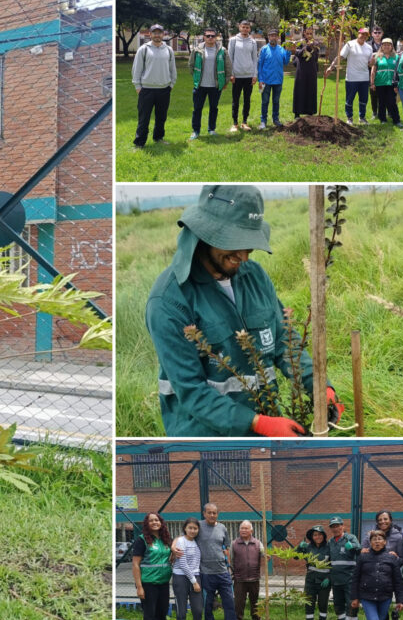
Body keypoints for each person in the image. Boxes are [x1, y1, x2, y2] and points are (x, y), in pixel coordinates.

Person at [145, 185, 345, 436]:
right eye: (233, 243)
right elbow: (192, 391)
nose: (244, 257)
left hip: (265, 430)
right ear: (206, 234)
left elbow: (284, 341)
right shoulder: (168, 301)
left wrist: (320, 388)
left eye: (249, 246)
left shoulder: (255, 276)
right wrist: (258, 423)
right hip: (204, 439)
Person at [177, 503, 242, 620]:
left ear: (217, 514)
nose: (212, 515)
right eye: (209, 513)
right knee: (208, 603)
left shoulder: (222, 528)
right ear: (204, 513)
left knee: (229, 601)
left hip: (223, 572)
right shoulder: (198, 527)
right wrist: (173, 546)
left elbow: (226, 547)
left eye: (214, 513)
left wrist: (228, 565)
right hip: (206, 573)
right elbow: (184, 536)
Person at [351, 529, 403, 620]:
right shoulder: (363, 557)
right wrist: (355, 597)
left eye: (380, 539)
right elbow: (355, 578)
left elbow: (398, 580)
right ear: (370, 542)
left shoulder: (391, 557)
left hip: (385, 596)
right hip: (367, 596)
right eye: (374, 539)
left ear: (385, 542)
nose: (377, 542)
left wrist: (400, 600)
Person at [361, 510, 403, 620]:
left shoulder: (398, 537)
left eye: (385, 519)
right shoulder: (370, 535)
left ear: (390, 520)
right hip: (372, 576)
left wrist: (394, 560)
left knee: (383, 610)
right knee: (376, 614)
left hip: (388, 577)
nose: (382, 522)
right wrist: (363, 551)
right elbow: (363, 552)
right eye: (380, 520)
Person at [131, 512, 174, 620]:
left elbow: (171, 555)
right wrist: (139, 587)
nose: (155, 522)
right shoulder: (142, 540)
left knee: (162, 612)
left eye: (157, 520)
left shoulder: (165, 539)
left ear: (161, 522)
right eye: (151, 521)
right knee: (150, 614)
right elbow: (135, 564)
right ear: (147, 524)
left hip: (163, 582)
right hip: (148, 583)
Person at [132, 24, 177, 147]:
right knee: (144, 118)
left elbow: (172, 69)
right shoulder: (144, 49)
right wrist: (137, 86)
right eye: (154, 33)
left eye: (160, 33)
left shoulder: (168, 50)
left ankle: (158, 138)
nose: (157, 35)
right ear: (150, 34)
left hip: (164, 89)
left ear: (163, 34)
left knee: (161, 117)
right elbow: (137, 69)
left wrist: (171, 84)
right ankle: (140, 143)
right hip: (146, 90)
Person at [189, 27, 231, 140]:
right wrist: (196, 78)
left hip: (215, 86)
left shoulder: (222, 50)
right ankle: (196, 131)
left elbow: (228, 67)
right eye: (208, 36)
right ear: (204, 37)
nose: (210, 38)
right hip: (200, 86)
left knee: (214, 108)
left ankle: (211, 129)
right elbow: (191, 65)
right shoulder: (197, 50)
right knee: (197, 109)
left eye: (213, 36)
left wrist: (225, 81)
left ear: (216, 37)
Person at [325, 27, 373, 125]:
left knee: (364, 99)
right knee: (349, 99)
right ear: (358, 34)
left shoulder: (369, 47)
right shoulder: (350, 44)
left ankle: (362, 117)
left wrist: (372, 63)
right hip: (352, 78)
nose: (363, 36)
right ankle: (349, 118)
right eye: (362, 34)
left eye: (366, 35)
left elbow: (369, 64)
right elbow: (340, 57)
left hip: (364, 78)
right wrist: (331, 67)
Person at [171, 517, 207, 620]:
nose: (192, 530)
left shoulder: (197, 541)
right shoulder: (180, 541)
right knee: (181, 609)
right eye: (190, 528)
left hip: (195, 576)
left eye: (195, 528)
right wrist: (194, 581)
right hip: (181, 577)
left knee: (197, 608)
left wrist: (195, 579)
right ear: (185, 528)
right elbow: (183, 564)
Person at [326, 516, 360, 620]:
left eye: (337, 525)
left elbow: (360, 551)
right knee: (338, 606)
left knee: (351, 606)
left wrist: (354, 547)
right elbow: (328, 560)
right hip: (336, 581)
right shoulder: (330, 542)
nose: (335, 528)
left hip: (349, 580)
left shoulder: (350, 538)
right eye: (333, 526)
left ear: (342, 526)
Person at [296, 524, 333, 620]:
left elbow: (334, 565)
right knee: (309, 605)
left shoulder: (329, 547)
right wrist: (299, 548)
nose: (318, 537)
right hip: (311, 582)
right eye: (315, 535)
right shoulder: (307, 547)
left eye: (320, 534)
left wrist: (329, 578)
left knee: (323, 606)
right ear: (312, 537)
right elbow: (296, 557)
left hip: (324, 582)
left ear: (324, 535)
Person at [230, 520, 266, 620]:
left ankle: (256, 619)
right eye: (242, 528)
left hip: (254, 578)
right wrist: (233, 573)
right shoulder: (234, 543)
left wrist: (267, 556)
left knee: (255, 601)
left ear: (251, 531)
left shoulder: (258, 543)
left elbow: (264, 555)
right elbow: (231, 559)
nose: (244, 530)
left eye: (246, 528)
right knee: (239, 602)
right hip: (239, 578)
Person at [227, 20, 258, 132]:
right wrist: (231, 74)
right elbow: (230, 58)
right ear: (239, 27)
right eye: (243, 27)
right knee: (235, 100)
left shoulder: (253, 42)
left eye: (247, 27)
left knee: (247, 100)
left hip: (249, 76)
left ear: (249, 29)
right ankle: (234, 123)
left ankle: (244, 122)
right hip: (236, 76)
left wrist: (254, 75)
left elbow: (255, 59)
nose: (245, 29)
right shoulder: (233, 40)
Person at [257, 29, 291, 129]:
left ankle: (276, 119)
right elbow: (259, 65)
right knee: (265, 102)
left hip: (278, 81)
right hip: (265, 81)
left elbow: (286, 62)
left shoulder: (281, 49)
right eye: (271, 35)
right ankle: (263, 121)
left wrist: (288, 52)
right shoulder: (264, 49)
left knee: (276, 101)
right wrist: (260, 79)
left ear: (278, 37)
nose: (273, 37)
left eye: (275, 35)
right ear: (268, 37)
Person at [370, 38, 403, 127]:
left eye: (388, 45)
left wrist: (399, 82)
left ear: (392, 46)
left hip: (392, 83)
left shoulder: (396, 57)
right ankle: (382, 119)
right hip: (380, 82)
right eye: (384, 45)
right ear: (382, 46)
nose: (386, 46)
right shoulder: (377, 56)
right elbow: (373, 71)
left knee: (392, 102)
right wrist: (372, 83)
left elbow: (400, 70)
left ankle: (396, 120)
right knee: (381, 102)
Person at [291, 27, 320, 119]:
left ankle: (310, 112)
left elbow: (316, 58)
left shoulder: (316, 44)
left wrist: (316, 69)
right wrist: (306, 47)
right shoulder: (300, 43)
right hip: (301, 71)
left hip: (312, 71)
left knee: (311, 91)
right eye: (307, 33)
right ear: (304, 33)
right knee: (300, 90)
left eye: (311, 34)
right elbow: (297, 53)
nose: (309, 35)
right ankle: (297, 113)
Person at [366, 26, 386, 119]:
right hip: (371, 72)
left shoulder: (386, 44)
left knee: (384, 93)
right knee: (373, 92)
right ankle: (374, 112)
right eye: (375, 32)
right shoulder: (367, 45)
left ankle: (384, 111)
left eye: (379, 32)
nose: (377, 34)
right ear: (372, 34)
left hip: (384, 72)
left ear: (382, 34)